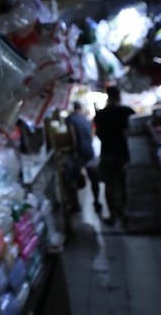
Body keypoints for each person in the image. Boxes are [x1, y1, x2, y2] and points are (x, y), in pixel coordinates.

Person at [93, 86, 135, 226]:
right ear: (119, 96)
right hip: (123, 153)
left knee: (109, 185)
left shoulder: (101, 115)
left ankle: (112, 216)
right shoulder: (127, 112)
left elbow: (98, 135)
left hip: (107, 153)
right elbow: (132, 132)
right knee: (123, 185)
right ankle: (124, 216)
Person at [66, 101, 101, 213]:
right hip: (89, 151)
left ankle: (76, 205)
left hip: (79, 152)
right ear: (80, 108)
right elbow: (92, 133)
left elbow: (73, 135)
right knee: (94, 178)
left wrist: (75, 150)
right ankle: (96, 201)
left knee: (73, 178)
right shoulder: (85, 119)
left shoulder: (70, 119)